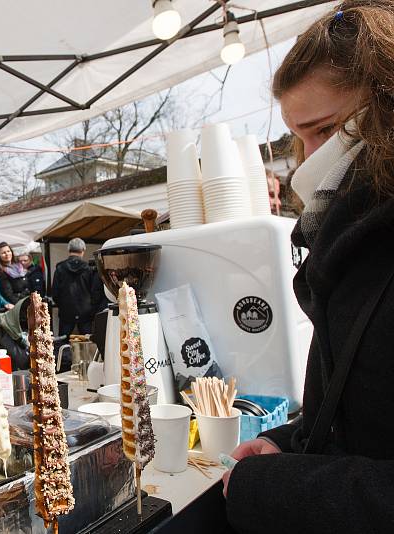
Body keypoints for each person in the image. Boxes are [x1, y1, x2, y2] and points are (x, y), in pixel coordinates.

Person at [222, 3, 394, 532]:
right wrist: (290, 440)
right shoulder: (352, 240)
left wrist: (277, 487)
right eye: (300, 136)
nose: (308, 160)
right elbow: (359, 409)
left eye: (327, 131)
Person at [51, 238, 97, 337]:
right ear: (83, 250)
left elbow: (55, 292)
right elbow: (95, 291)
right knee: (87, 342)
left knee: (62, 341)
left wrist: (62, 305)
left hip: (66, 312)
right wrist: (92, 307)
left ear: (69, 250)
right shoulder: (88, 269)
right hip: (86, 312)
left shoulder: (60, 268)